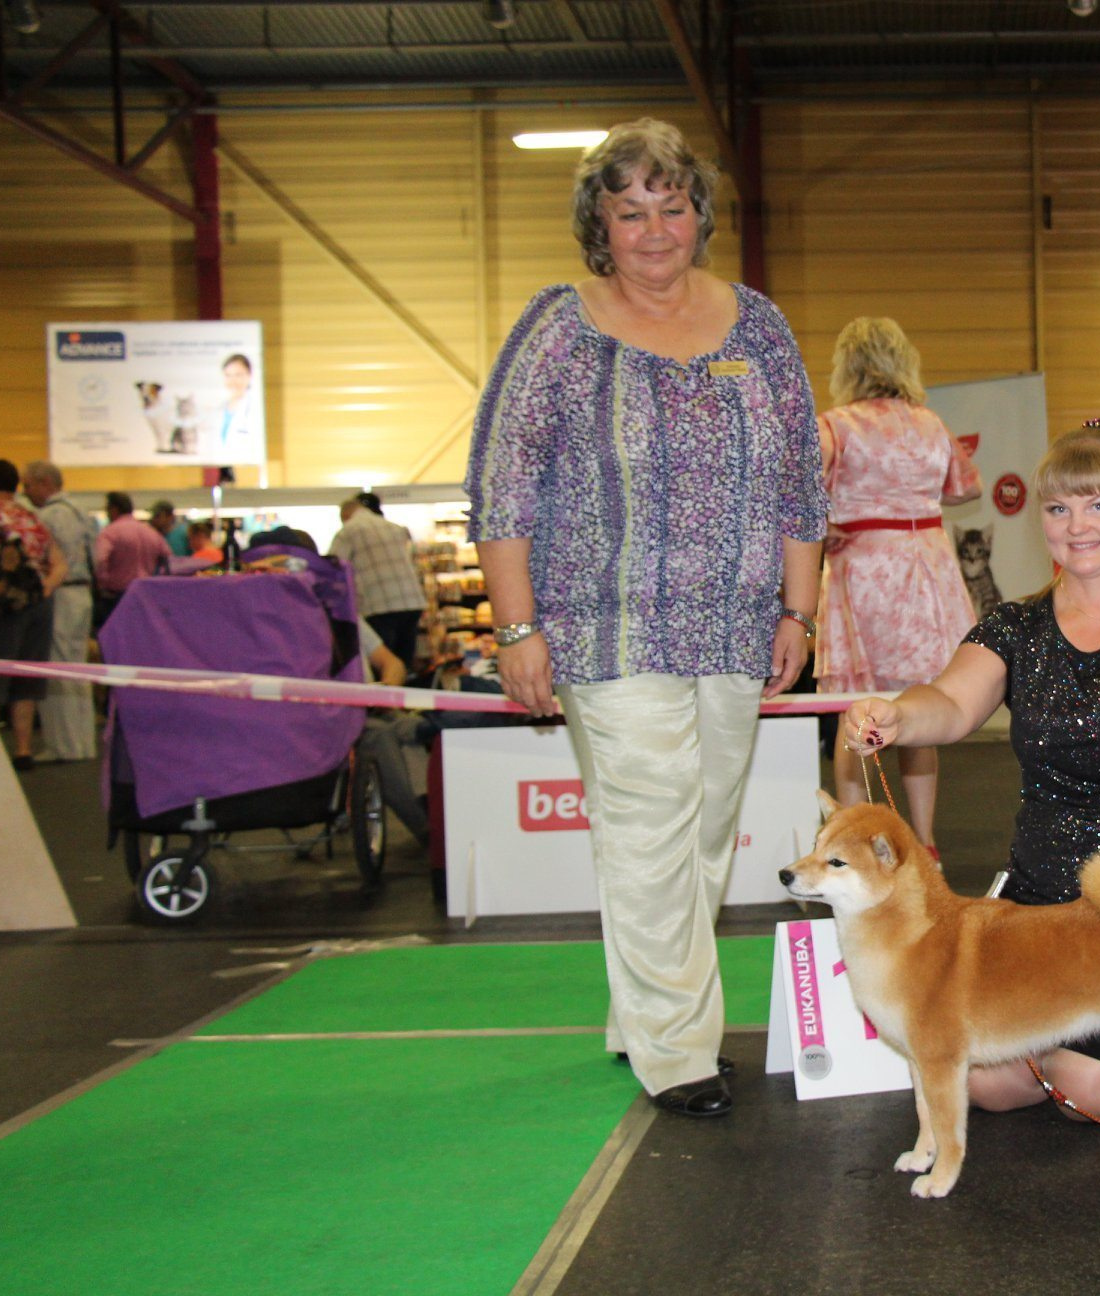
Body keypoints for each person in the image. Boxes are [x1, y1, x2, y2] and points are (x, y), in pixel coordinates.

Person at [464, 118, 827, 1120]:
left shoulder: (757, 325)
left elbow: (801, 481)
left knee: (704, 830)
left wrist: (799, 608)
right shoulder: (559, 328)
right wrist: (516, 628)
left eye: (672, 206)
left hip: (737, 628)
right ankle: (677, 1050)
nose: (655, 228)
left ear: (701, 216)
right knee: (651, 826)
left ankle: (641, 1013)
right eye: (631, 211)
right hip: (605, 629)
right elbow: (502, 487)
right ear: (600, 225)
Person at [840, 421, 1100, 1122]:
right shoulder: (1014, 626)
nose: (1078, 526)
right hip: (1039, 893)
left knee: (1088, 1094)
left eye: (1098, 505)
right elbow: (951, 702)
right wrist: (899, 715)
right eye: (1059, 509)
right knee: (985, 1085)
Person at [814, 317, 981, 853]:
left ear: (847, 366)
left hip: (863, 575)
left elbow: (798, 493)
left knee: (855, 709)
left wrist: (841, 519)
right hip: (927, 575)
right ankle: (925, 844)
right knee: (916, 710)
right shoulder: (931, 424)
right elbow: (965, 489)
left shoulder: (836, 426)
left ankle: (854, 840)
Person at [20, 461, 98, 761]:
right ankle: (81, 743)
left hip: (61, 593)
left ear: (43, 483)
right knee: (78, 670)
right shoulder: (81, 511)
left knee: (58, 668)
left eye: (28, 485)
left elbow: (49, 558)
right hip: (82, 591)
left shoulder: (50, 515)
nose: (26, 492)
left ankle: (63, 745)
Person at [0, 459, 67, 770]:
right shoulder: (31, 518)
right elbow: (60, 563)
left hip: (1, 609)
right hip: (39, 604)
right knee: (27, 678)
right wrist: (43, 590)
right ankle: (24, 751)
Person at [328, 492, 427, 670]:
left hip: (378, 605)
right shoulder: (394, 527)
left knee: (384, 665)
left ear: (345, 515)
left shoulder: (348, 531)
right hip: (412, 601)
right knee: (404, 663)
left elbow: (333, 567)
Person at [92, 492, 169, 630]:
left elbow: (99, 560)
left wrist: (103, 582)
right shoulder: (150, 532)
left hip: (116, 596)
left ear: (113, 509)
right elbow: (168, 558)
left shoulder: (110, 532)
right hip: (145, 593)